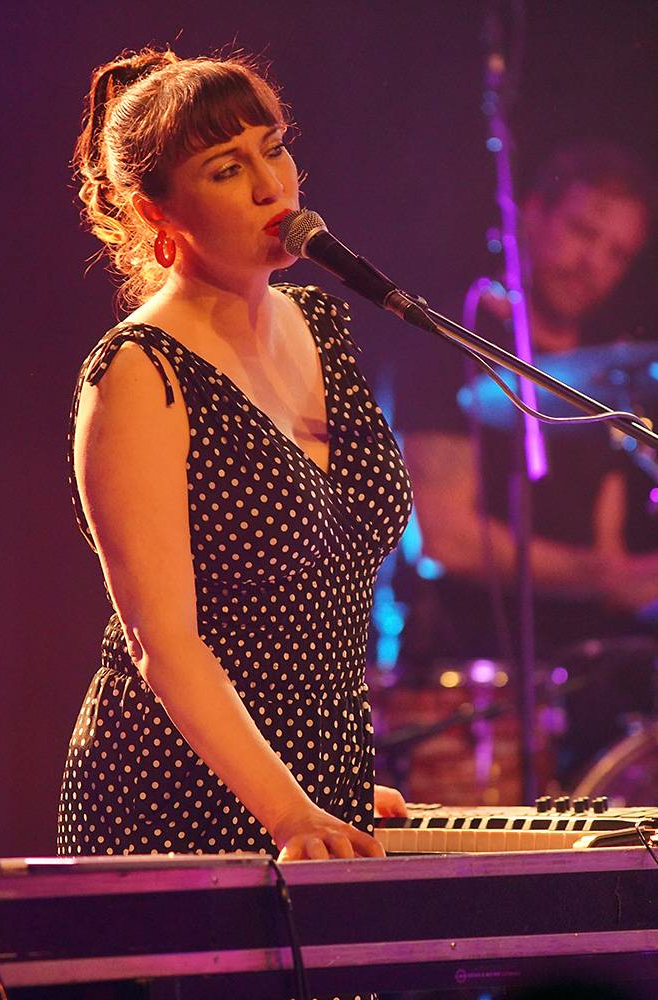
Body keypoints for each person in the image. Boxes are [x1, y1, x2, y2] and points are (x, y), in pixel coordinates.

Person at [57, 47, 411, 862]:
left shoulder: (320, 325)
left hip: (310, 781)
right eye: (226, 169)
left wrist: (327, 783)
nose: (270, 187)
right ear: (156, 214)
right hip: (176, 794)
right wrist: (288, 809)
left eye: (273, 149)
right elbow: (163, 644)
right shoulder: (139, 372)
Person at [394, 143, 657, 780]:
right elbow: (443, 539)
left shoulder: (613, 379)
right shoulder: (448, 346)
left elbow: (617, 552)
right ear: (531, 214)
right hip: (470, 690)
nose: (593, 264)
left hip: (593, 687)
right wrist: (605, 577)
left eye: (617, 253)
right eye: (582, 231)